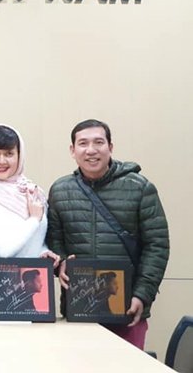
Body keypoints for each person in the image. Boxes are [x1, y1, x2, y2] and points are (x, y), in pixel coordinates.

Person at [47, 119, 169, 349]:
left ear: (110, 147)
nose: (91, 150)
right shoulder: (60, 190)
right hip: (79, 308)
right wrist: (60, 262)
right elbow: (54, 239)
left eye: (98, 142)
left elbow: (157, 246)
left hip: (127, 308)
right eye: (83, 143)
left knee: (126, 365)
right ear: (72, 150)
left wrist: (142, 295)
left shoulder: (140, 187)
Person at [0, 125, 59, 264]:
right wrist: (34, 219)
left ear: (19, 155)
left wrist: (43, 252)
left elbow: (34, 242)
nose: (1, 161)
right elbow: (2, 251)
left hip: (34, 274)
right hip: (0, 275)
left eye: (9, 154)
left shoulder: (31, 191)